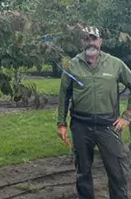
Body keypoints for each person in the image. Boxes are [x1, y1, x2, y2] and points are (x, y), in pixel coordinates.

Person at [56, 26, 131, 199]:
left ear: (100, 41)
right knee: (83, 173)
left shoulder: (115, 64)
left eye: (94, 38)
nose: (91, 43)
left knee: (117, 172)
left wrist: (127, 115)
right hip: (81, 126)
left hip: (109, 126)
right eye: (86, 39)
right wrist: (61, 123)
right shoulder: (71, 65)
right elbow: (64, 95)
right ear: (81, 42)